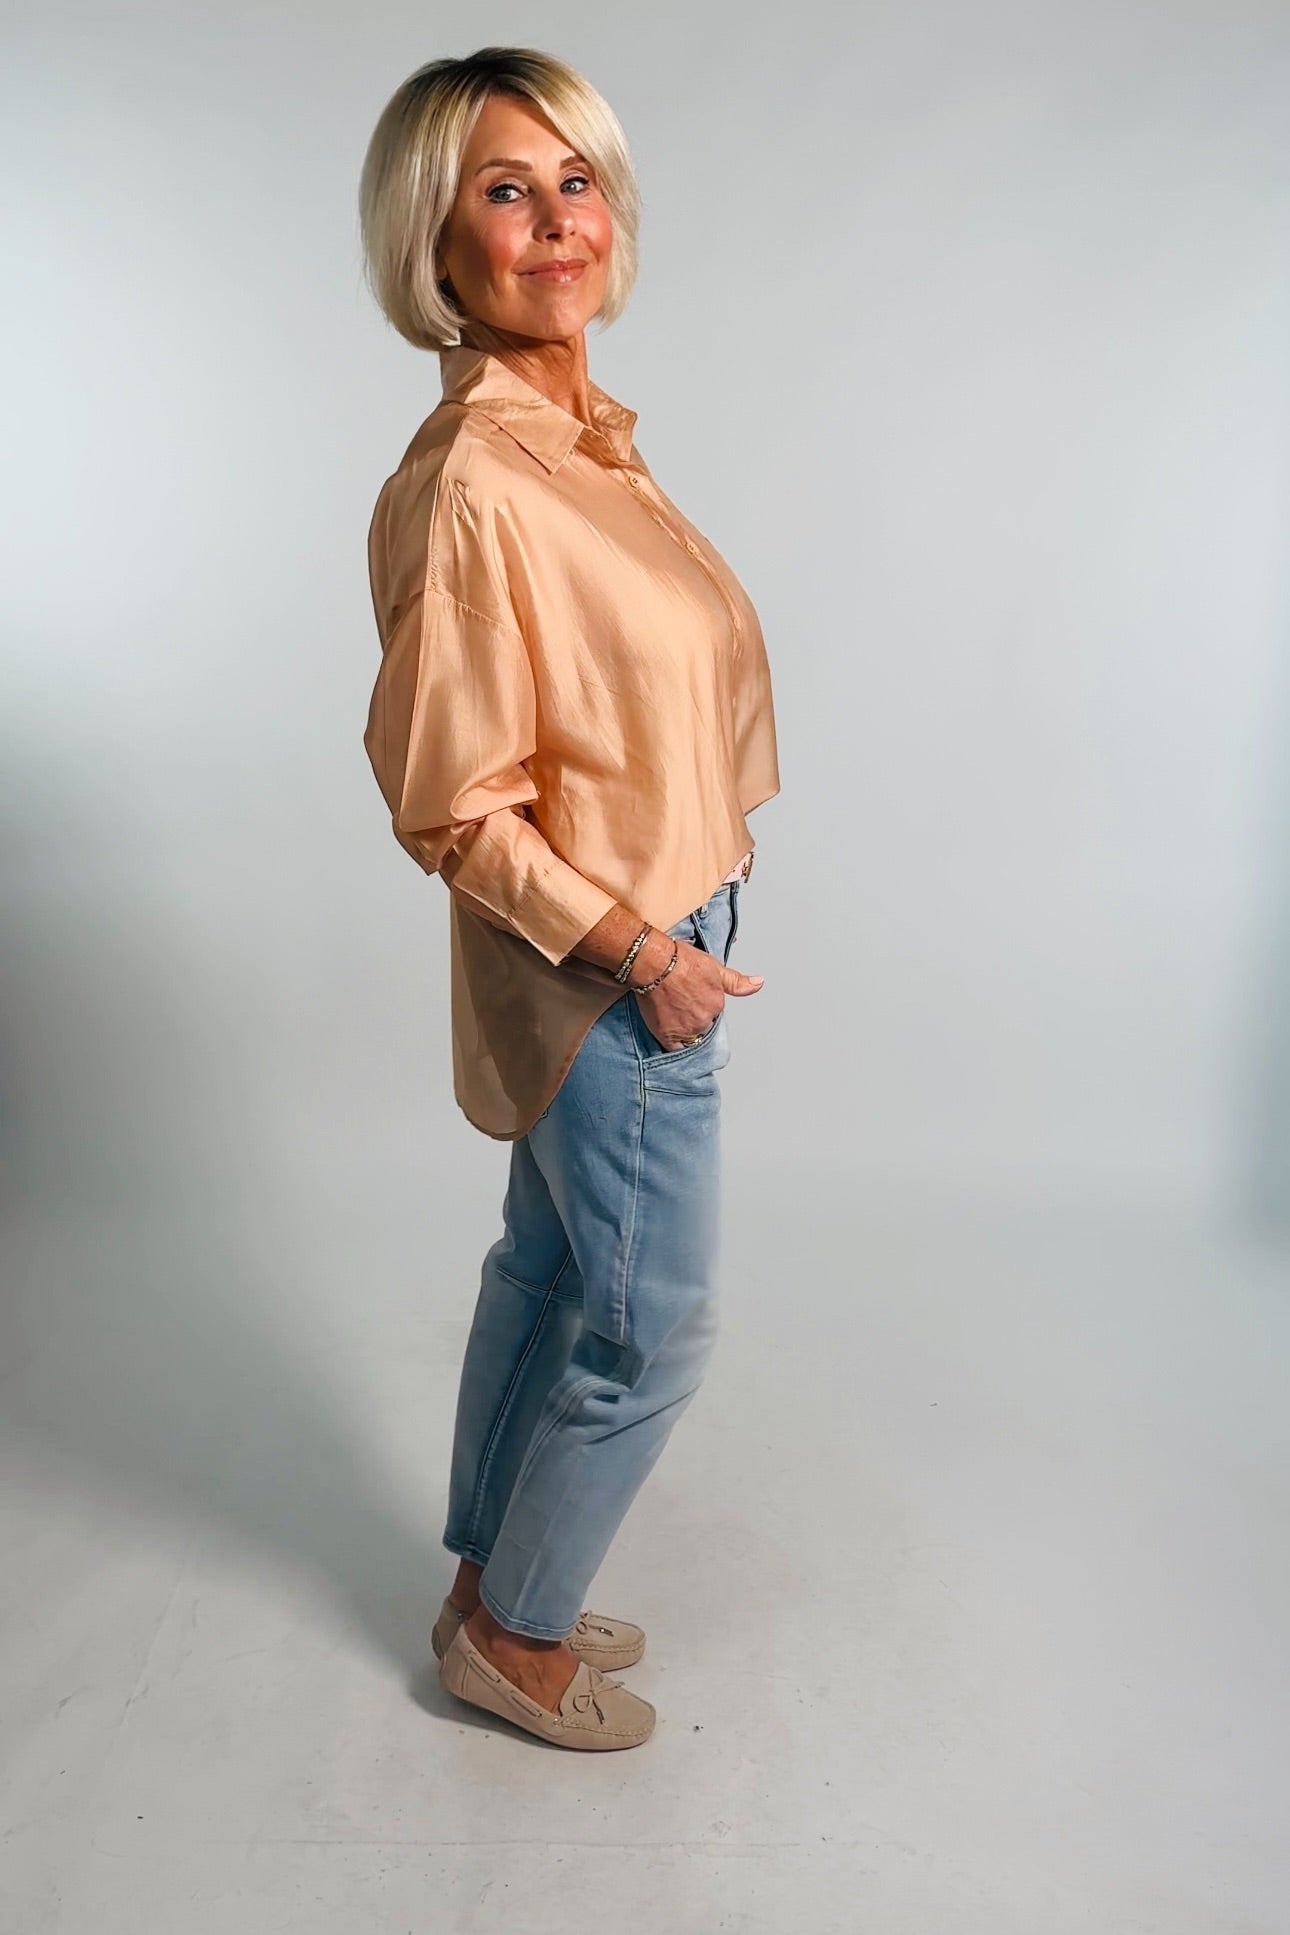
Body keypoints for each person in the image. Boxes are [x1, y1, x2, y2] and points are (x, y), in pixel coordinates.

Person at [358, 46, 780, 1751]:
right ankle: (519, 1643)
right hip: (608, 962)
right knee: (647, 1326)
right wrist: (648, 956)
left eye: (575, 180)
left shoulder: (583, 446)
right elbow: (450, 803)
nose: (553, 221)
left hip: (655, 924)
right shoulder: (477, 477)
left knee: (545, 1275)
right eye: (503, 190)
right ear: (434, 242)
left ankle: (491, 1583)